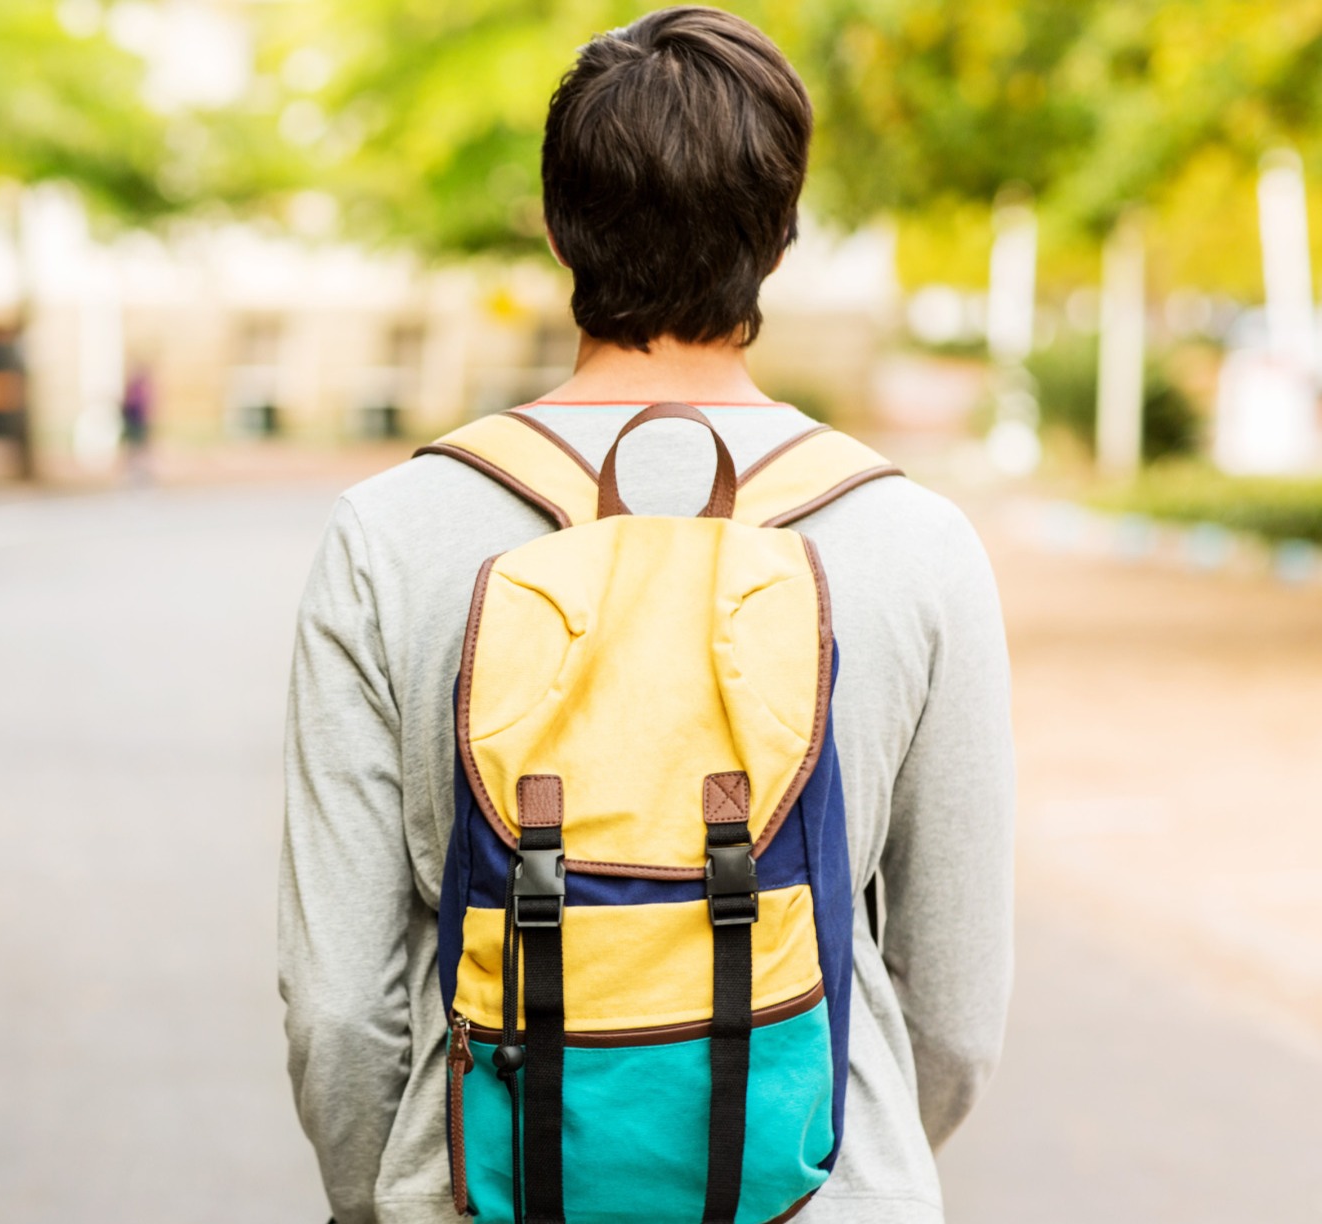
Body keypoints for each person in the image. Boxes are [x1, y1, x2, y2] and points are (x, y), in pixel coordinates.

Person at [277, 8, 1014, 1223]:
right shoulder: (914, 544)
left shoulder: (389, 536)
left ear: (560, 227)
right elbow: (951, 1014)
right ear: (779, 236)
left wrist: (394, 1198)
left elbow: (341, 1006)